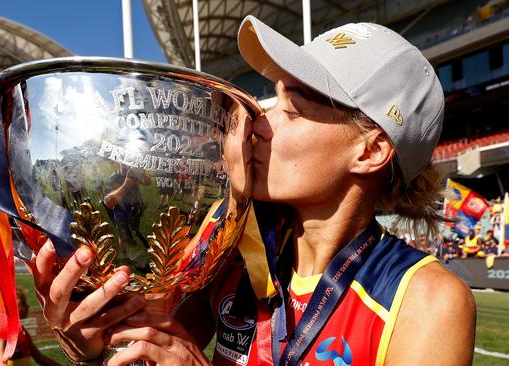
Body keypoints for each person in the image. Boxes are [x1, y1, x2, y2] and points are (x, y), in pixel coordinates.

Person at [32, 16, 476, 366]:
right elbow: (145, 354)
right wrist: (90, 346)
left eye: (294, 110)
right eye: (271, 100)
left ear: (371, 150)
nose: (259, 124)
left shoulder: (427, 302)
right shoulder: (234, 251)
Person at [0, 287, 61, 366]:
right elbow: (0, 363)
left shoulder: (21, 331)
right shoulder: (1, 333)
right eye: (23, 303)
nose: (28, 306)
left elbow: (39, 358)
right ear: (11, 307)